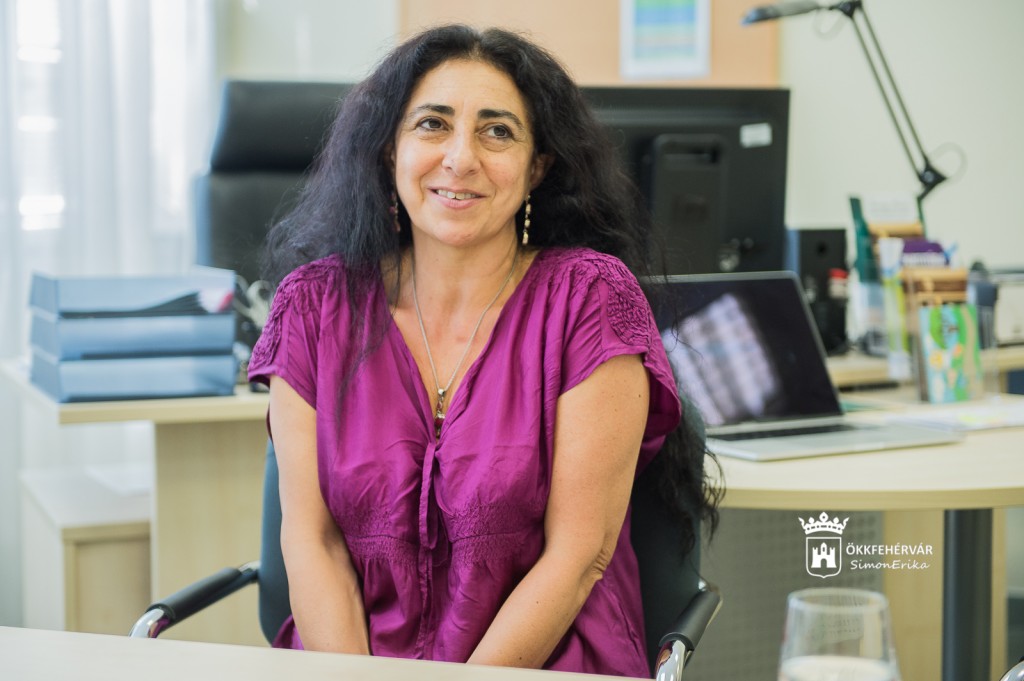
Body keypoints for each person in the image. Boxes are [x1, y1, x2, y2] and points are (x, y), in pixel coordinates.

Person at [248, 23, 718, 677]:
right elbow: (311, 539)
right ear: (389, 150)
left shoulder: (591, 300)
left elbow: (578, 554)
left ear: (537, 167)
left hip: (542, 661)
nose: (460, 158)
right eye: (432, 124)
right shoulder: (312, 306)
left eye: (497, 131)